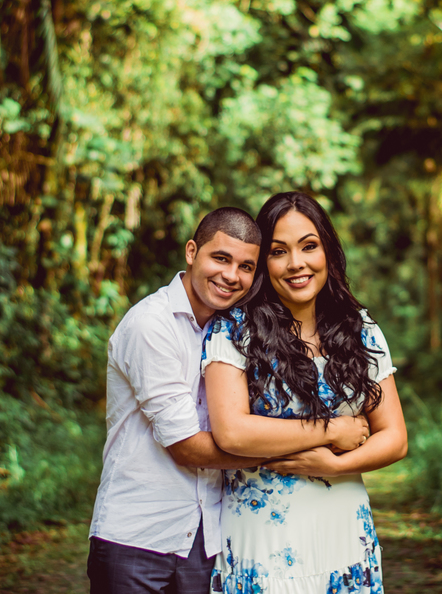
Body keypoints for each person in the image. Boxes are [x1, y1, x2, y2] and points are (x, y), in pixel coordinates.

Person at [87, 206, 371, 594]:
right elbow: (187, 446)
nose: (230, 275)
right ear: (192, 252)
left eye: (245, 266)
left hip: (207, 541)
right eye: (220, 258)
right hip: (140, 537)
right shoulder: (150, 324)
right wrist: (327, 433)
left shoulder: (234, 330)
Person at [202, 192, 409, 594]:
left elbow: (395, 437)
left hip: (346, 540)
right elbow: (232, 433)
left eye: (309, 246)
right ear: (264, 263)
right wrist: (333, 431)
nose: (296, 263)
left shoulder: (360, 329)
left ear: (327, 251)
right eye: (279, 251)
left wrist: (332, 467)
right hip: (262, 549)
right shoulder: (234, 330)